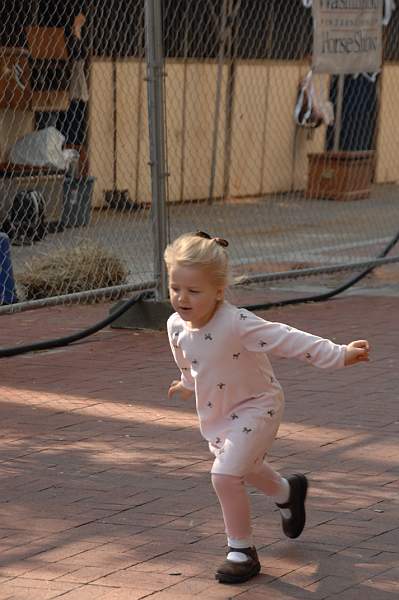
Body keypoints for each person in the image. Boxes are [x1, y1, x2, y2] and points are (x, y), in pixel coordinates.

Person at [164, 231, 370, 585]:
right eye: (174, 288)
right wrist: (186, 385)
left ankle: (241, 551)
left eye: (193, 291)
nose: (182, 298)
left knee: (225, 475)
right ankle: (288, 493)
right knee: (245, 466)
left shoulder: (236, 322)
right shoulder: (175, 326)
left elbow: (288, 338)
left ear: (219, 291)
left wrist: (338, 354)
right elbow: (189, 362)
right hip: (219, 414)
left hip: (259, 406)